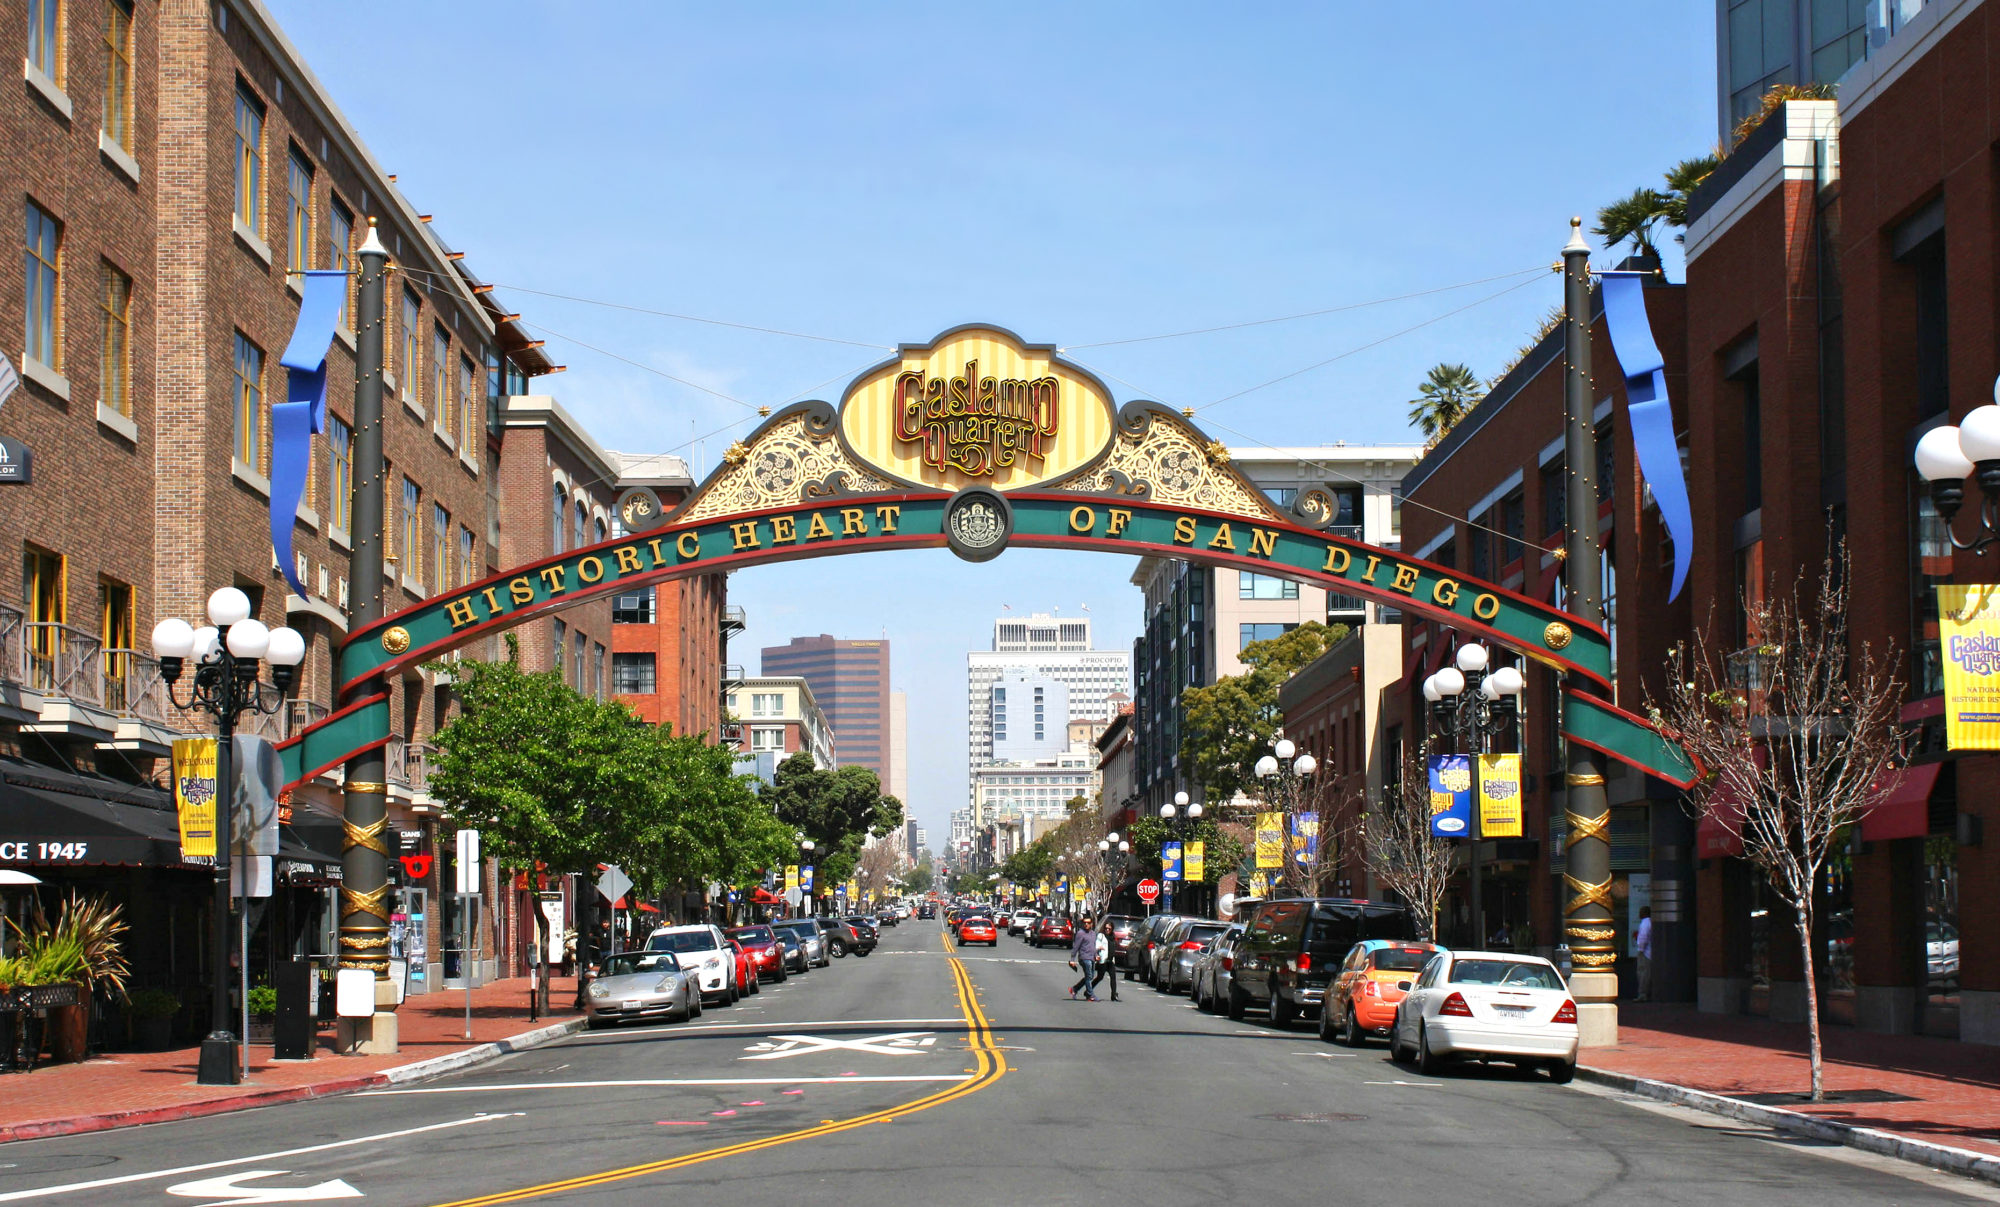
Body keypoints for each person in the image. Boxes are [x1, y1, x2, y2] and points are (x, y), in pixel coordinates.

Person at [1068, 916, 1099, 1001]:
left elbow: (1093, 946)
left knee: (1090, 977)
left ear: (1091, 924)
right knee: (1089, 976)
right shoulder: (1080, 933)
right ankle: (1090, 994)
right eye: (1084, 922)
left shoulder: (1093, 933)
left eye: (1088, 923)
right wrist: (1072, 959)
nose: (1086, 924)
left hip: (1092, 958)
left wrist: (1096, 955)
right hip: (1084, 958)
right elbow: (1076, 947)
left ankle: (1074, 989)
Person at [1091, 923, 1120, 1001]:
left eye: (1109, 928)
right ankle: (1089, 990)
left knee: (1113, 977)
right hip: (1103, 960)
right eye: (1106, 928)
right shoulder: (1101, 935)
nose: (1107, 930)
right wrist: (1099, 947)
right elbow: (1096, 944)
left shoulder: (1112, 937)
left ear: (1112, 929)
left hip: (1110, 961)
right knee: (1100, 977)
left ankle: (1114, 995)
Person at [1633, 906, 1653, 1001]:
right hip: (1648, 951)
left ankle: (1642, 994)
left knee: (1643, 973)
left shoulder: (1645, 923)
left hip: (1645, 952)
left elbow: (1643, 937)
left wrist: (1640, 949)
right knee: (1645, 973)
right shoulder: (1650, 922)